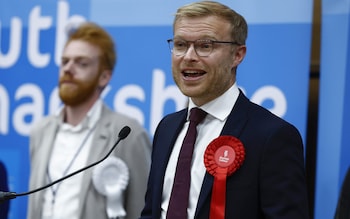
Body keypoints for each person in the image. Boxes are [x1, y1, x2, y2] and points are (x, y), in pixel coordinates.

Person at [140, 1, 309, 218]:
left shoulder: (272, 136)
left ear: (237, 55)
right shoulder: (167, 127)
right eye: (181, 45)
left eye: (205, 45)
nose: (189, 56)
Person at [27, 22, 152, 219]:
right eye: (65, 61)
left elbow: (142, 210)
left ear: (104, 77)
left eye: (81, 63)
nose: (68, 68)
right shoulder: (40, 131)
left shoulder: (127, 133)